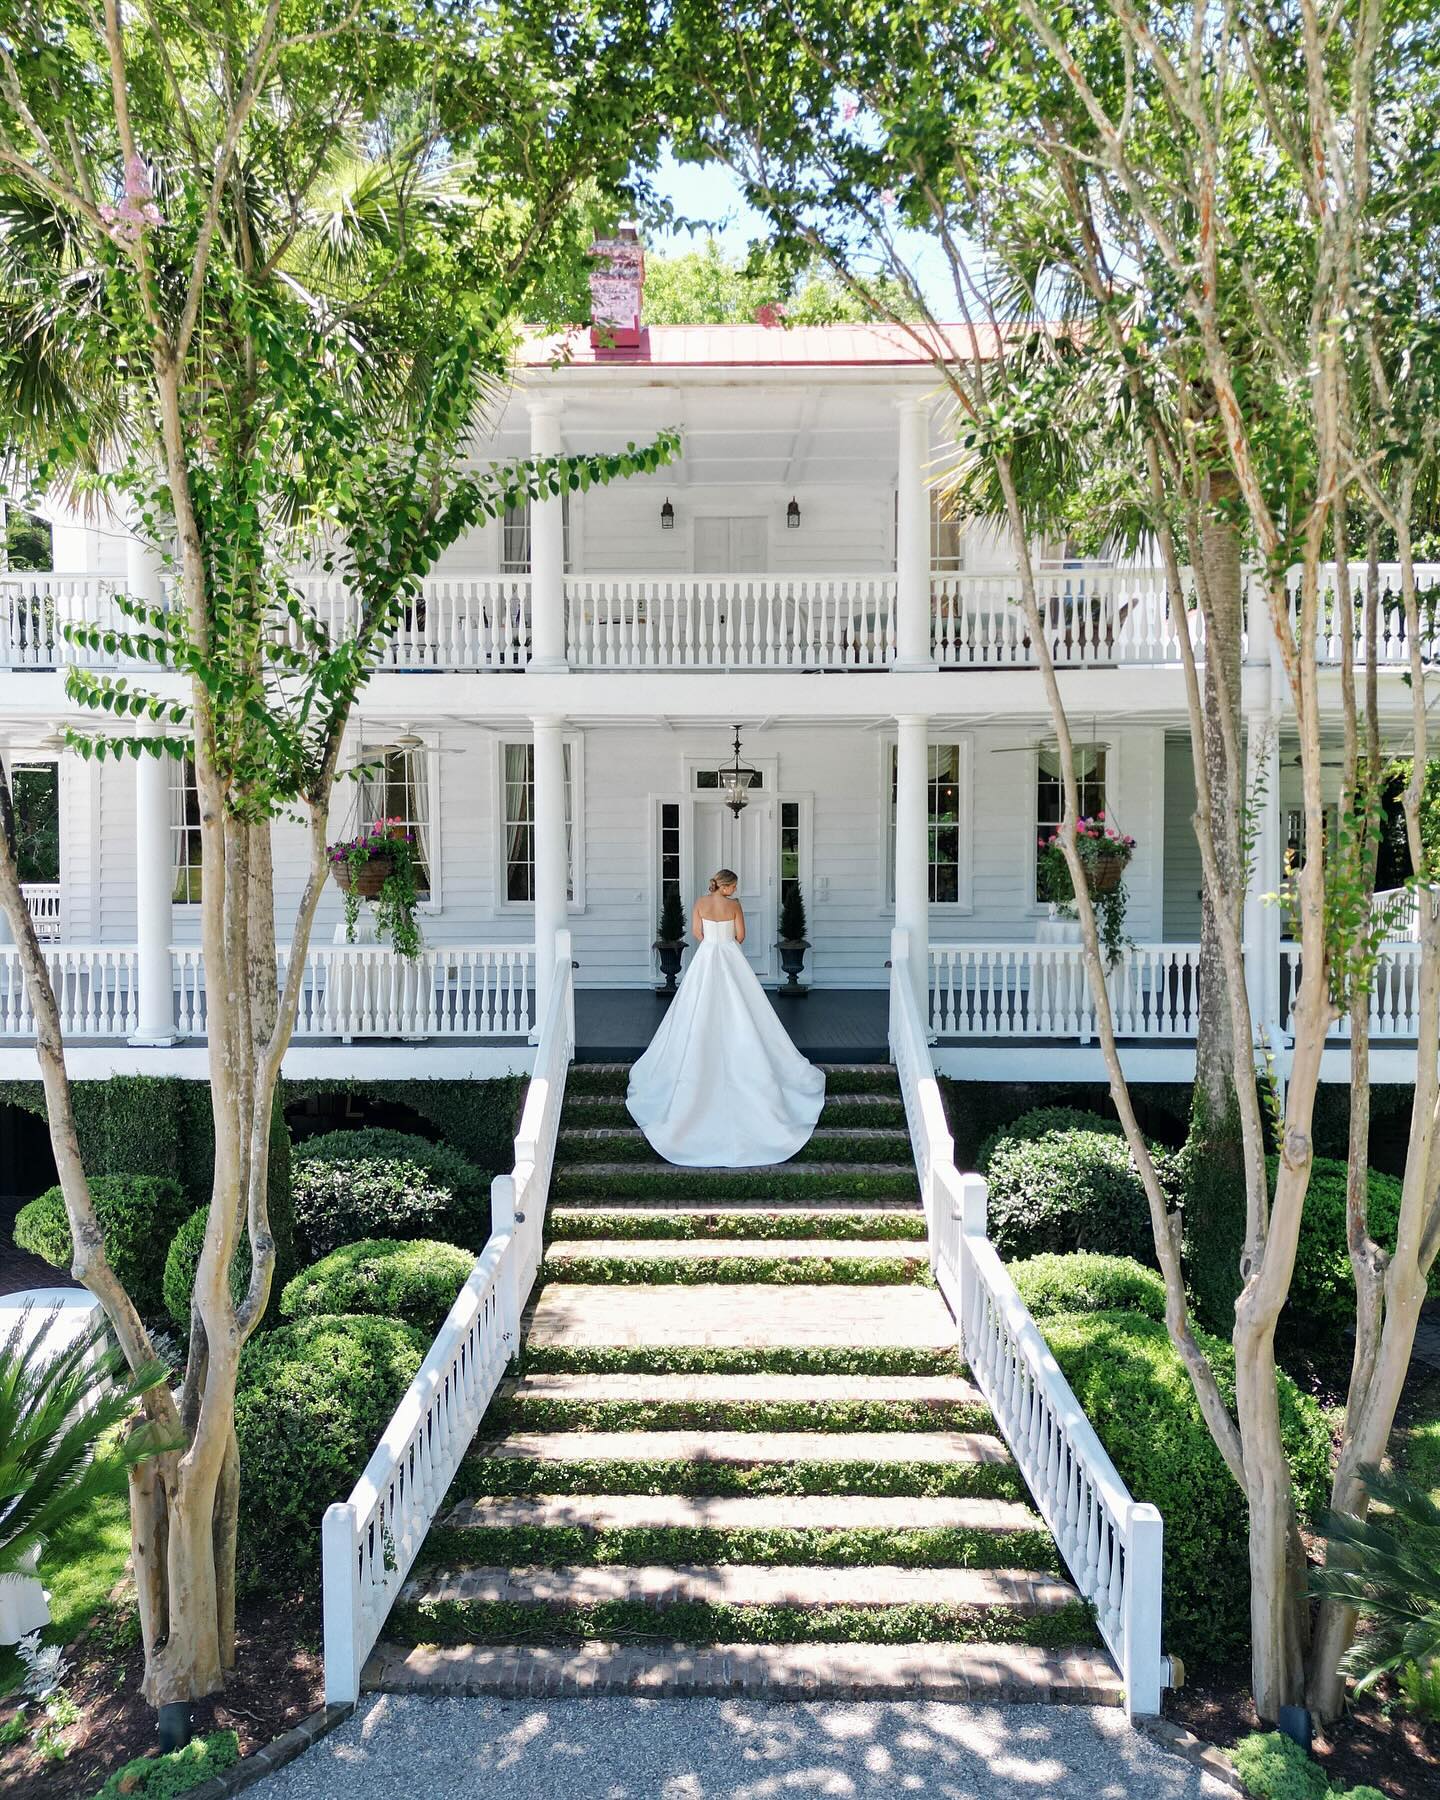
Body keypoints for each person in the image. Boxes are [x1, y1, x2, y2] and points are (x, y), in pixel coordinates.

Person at [626, 870, 826, 1167]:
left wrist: (711, 938)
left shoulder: (700, 903)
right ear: (728, 885)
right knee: (745, 1004)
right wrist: (728, 937)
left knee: (695, 1006)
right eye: (734, 885)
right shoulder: (734, 906)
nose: (735, 889)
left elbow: (697, 934)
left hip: (707, 957)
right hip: (731, 956)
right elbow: (741, 936)